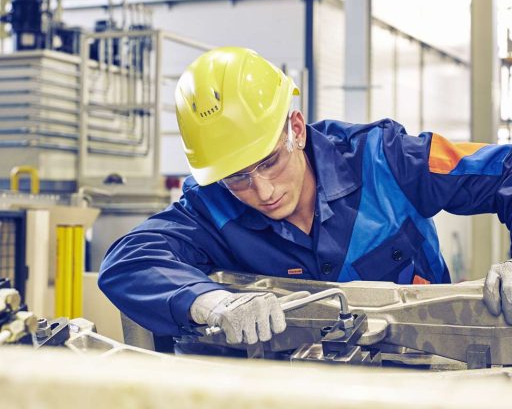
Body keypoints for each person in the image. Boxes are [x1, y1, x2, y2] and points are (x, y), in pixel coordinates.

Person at [98, 46, 512, 346]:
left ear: (295, 128)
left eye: (269, 162)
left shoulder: (385, 159)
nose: (262, 191)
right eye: (237, 177)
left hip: (429, 375)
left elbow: (504, 169)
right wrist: (214, 303)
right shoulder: (212, 209)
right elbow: (127, 261)